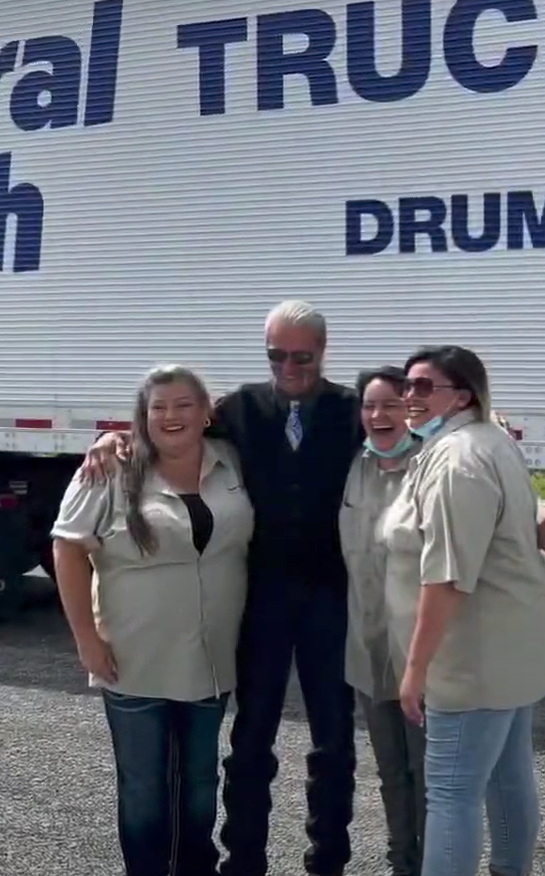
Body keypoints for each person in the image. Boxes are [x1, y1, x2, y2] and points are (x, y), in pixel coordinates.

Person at [82, 300, 363, 876]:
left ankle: (327, 858)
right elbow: (168, 427)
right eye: (275, 355)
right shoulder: (239, 408)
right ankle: (243, 861)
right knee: (251, 740)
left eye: (301, 356)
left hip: (331, 600)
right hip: (259, 602)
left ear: (322, 351)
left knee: (333, 741)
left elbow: (410, 444)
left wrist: (485, 426)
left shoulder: (352, 409)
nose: (288, 367)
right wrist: (113, 438)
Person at [338, 366, 545, 876]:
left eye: (425, 387)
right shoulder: (485, 441)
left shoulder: (454, 460)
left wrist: (417, 668)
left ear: (461, 395)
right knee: (507, 775)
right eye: (409, 387)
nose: (410, 398)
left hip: (468, 656)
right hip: (504, 650)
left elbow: (445, 576)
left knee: (450, 793)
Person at [50, 364, 252, 876]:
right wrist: (86, 641)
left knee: (201, 787)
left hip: (210, 661)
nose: (171, 416)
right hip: (135, 661)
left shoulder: (231, 462)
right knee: (144, 789)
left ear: (206, 413)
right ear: (143, 416)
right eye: (158, 406)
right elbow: (67, 550)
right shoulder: (109, 470)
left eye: (184, 404)